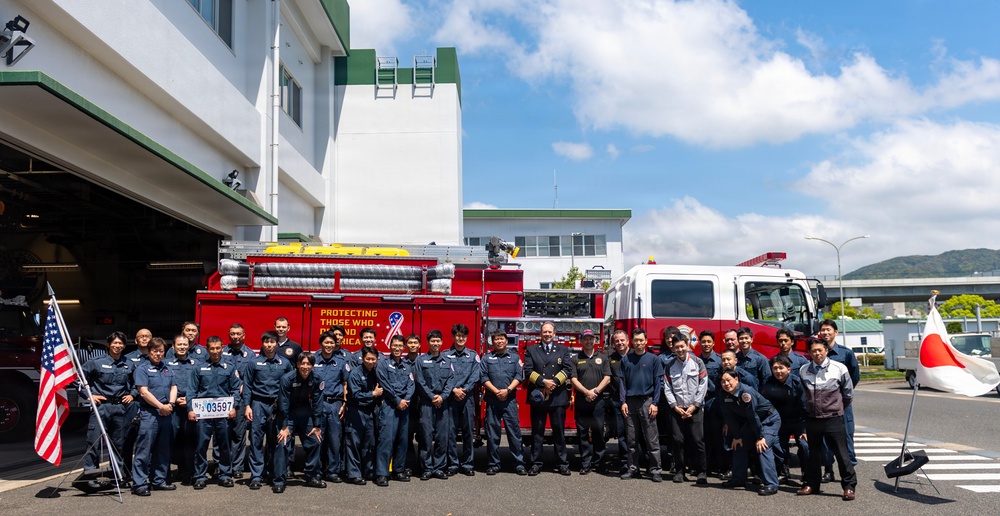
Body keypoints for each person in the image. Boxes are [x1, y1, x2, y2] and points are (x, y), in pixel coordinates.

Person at [798, 338, 857, 501]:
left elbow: (848, 394)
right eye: (813, 351)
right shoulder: (804, 370)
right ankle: (811, 484)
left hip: (833, 418)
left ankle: (849, 486)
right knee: (813, 454)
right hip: (812, 419)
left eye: (820, 350)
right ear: (809, 353)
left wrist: (836, 408)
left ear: (826, 351)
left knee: (842, 454)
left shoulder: (839, 368)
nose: (817, 353)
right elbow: (803, 395)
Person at [188, 336, 241, 490]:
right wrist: (191, 409)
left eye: (218, 348)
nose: (215, 351)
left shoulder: (229, 368)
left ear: (222, 348)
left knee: (224, 445)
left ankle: (225, 475)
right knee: (201, 445)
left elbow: (235, 389)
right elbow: (192, 390)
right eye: (212, 348)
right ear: (207, 349)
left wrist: (234, 407)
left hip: (223, 414)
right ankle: (200, 476)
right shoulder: (198, 368)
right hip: (203, 414)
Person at [81, 331, 134, 483]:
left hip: (120, 408)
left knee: (118, 444)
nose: (118, 346)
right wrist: (89, 395)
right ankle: (90, 476)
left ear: (124, 346)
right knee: (94, 442)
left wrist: (133, 394)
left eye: (121, 343)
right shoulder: (95, 362)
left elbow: (137, 382)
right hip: (101, 408)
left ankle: (117, 475)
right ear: (108, 345)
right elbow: (78, 379)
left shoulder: (129, 363)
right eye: (115, 343)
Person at [242, 331, 293, 490]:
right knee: (256, 441)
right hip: (258, 404)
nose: (269, 345)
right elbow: (247, 386)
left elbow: (290, 387)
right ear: (262, 344)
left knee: (274, 441)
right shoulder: (253, 363)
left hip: (277, 406)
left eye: (272, 342)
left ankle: (272, 473)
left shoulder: (285, 363)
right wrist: (247, 406)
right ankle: (256, 476)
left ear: (277, 344)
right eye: (266, 342)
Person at [718, 369, 781, 496]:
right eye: (723, 381)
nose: (726, 384)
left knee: (762, 447)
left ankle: (771, 485)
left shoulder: (746, 393)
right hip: (752, 421)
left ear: (736, 379)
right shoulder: (723, 393)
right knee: (738, 444)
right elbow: (729, 417)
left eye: (728, 380)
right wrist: (737, 436)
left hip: (768, 419)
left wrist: (760, 437)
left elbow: (753, 416)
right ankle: (738, 479)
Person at [273, 353, 327, 493]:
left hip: (305, 412)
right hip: (288, 413)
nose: (305, 367)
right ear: (297, 364)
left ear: (312, 366)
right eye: (302, 363)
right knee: (282, 443)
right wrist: (284, 426)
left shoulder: (317, 379)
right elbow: (283, 403)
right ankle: (279, 480)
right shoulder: (287, 378)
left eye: (308, 364)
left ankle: (312, 476)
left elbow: (317, 402)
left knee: (315, 441)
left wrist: (316, 425)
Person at [523, 321, 572, 476]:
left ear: (554, 334)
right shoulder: (531, 350)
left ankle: (562, 463)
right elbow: (528, 370)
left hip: (557, 396)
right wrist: (544, 382)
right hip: (539, 396)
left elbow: (567, 369)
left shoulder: (563, 350)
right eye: (545, 332)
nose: (547, 334)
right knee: (537, 432)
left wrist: (554, 383)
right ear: (540, 334)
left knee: (559, 431)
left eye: (550, 332)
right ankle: (536, 463)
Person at [131, 337, 177, 495]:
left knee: (163, 449)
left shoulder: (167, 368)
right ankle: (139, 484)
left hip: (167, 413)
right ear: (149, 352)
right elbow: (143, 392)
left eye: (161, 351)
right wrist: (161, 406)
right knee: (144, 450)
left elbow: (174, 386)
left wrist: (170, 404)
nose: (158, 354)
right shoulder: (142, 369)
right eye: (155, 351)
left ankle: (159, 480)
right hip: (149, 413)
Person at [662, 333, 709, 484]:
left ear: (687, 345)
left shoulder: (697, 362)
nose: (680, 349)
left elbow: (703, 384)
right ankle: (679, 471)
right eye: (677, 347)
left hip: (694, 409)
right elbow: (667, 388)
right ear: (673, 348)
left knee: (698, 440)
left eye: (682, 346)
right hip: (677, 410)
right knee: (677, 440)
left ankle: (701, 472)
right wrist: (674, 406)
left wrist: (695, 405)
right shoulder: (669, 366)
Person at [480, 329, 527, 476]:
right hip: (493, 401)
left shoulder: (514, 358)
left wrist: (507, 390)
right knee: (492, 434)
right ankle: (493, 464)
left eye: (502, 339)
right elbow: (483, 377)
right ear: (492, 342)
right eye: (496, 339)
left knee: (514, 433)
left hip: (510, 401)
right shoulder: (487, 358)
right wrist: (495, 391)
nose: (499, 341)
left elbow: (519, 375)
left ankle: (518, 464)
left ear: (506, 341)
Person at [619, 328, 664, 482]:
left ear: (646, 341)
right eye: (636, 340)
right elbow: (622, 382)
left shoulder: (653, 359)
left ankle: (655, 470)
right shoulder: (626, 359)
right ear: (632, 342)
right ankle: (633, 468)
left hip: (647, 402)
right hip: (630, 403)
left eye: (641, 340)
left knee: (652, 439)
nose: (638, 343)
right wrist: (623, 402)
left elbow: (658, 383)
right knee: (631, 439)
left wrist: (655, 403)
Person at [413, 330, 456, 480]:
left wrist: (442, 397)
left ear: (442, 342)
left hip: (442, 404)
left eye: (438, 341)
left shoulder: (447, 361)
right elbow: (419, 381)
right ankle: (426, 468)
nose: (435, 344)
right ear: (428, 342)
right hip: (426, 403)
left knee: (441, 437)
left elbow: (451, 381)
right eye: (432, 341)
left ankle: (439, 468)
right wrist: (432, 397)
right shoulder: (421, 360)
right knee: (425, 436)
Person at [374, 335, 415, 486]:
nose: (397, 348)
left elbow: (411, 384)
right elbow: (383, 383)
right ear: (390, 346)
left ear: (403, 348)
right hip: (390, 405)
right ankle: (382, 473)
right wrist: (398, 400)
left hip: (404, 406)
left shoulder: (406, 365)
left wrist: (405, 400)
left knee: (402, 440)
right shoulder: (383, 363)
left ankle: (398, 470)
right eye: (394, 345)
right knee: (386, 440)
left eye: (400, 346)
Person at [761, 355, 808, 485]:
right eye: (775, 368)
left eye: (781, 368)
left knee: (804, 446)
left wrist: (805, 429)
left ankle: (806, 473)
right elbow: (764, 405)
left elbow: (805, 406)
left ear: (789, 369)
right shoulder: (768, 383)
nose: (778, 371)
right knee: (779, 447)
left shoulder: (798, 383)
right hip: (779, 421)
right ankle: (783, 472)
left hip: (798, 421)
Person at [569, 329, 611, 475]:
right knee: (582, 433)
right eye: (585, 339)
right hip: (582, 400)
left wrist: (595, 392)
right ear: (581, 341)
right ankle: (585, 463)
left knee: (599, 432)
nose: (588, 341)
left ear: (595, 340)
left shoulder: (603, 358)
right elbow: (573, 379)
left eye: (590, 338)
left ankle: (599, 463)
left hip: (598, 402)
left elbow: (607, 378)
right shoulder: (575, 358)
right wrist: (586, 392)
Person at [819, 319, 860, 466]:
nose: (825, 332)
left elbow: (854, 376)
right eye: (823, 330)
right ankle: (828, 469)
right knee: (825, 437)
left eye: (828, 329)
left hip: (842, 402)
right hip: (822, 403)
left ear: (835, 332)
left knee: (847, 434)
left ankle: (850, 469)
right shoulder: (816, 352)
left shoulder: (846, 353)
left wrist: (844, 395)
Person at [313, 330, 349, 483]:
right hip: (318, 404)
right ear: (321, 343)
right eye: (326, 342)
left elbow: (346, 383)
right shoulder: (313, 359)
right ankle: (318, 470)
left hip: (335, 404)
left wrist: (344, 404)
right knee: (318, 439)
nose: (329, 345)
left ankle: (333, 471)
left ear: (336, 344)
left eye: (331, 343)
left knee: (335, 439)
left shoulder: (341, 361)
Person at [222, 323, 257, 479]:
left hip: (240, 400)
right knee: (221, 434)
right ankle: (220, 465)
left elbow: (252, 378)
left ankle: (237, 466)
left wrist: (244, 386)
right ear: (229, 335)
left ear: (244, 336)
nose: (235, 336)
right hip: (222, 398)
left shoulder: (250, 355)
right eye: (232, 334)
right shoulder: (222, 352)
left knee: (238, 434)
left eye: (238, 334)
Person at [444, 324, 479, 476]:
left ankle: (467, 464)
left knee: (468, 433)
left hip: (467, 398)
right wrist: (453, 390)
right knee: (450, 433)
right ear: (453, 337)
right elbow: (443, 375)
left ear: (467, 337)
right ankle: (452, 464)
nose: (460, 338)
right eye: (458, 335)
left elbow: (475, 375)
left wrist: (463, 390)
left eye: (463, 336)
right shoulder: (445, 355)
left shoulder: (473, 355)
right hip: (450, 398)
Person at [345, 347, 384, 485]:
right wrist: (372, 394)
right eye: (368, 358)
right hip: (356, 411)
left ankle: (368, 472)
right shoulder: (355, 373)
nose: (370, 361)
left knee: (370, 443)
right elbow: (354, 395)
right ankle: (354, 474)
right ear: (362, 358)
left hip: (371, 411)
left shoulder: (376, 373)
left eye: (373, 359)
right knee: (354, 443)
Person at [166, 334, 198, 484]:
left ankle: (188, 473)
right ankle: (166, 473)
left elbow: (200, 384)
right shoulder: (166, 363)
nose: (182, 347)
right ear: (173, 346)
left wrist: (189, 399)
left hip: (189, 407)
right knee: (170, 439)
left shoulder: (196, 363)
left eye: (185, 344)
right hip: (172, 407)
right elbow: (162, 384)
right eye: (179, 344)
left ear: (188, 346)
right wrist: (174, 399)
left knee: (189, 441)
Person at [696, 330, 723, 477]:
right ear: (700, 343)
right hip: (700, 402)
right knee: (703, 436)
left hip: (715, 401)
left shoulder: (719, 361)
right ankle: (706, 466)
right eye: (703, 342)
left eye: (709, 342)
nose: (706, 344)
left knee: (717, 435)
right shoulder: (695, 361)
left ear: (713, 343)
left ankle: (721, 466)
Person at [606, 329, 631, 474]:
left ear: (627, 340)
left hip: (635, 401)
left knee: (637, 434)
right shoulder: (610, 358)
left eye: (622, 340)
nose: (620, 343)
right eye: (617, 341)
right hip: (617, 401)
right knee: (622, 433)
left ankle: (640, 461)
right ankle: (624, 463)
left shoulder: (636, 356)